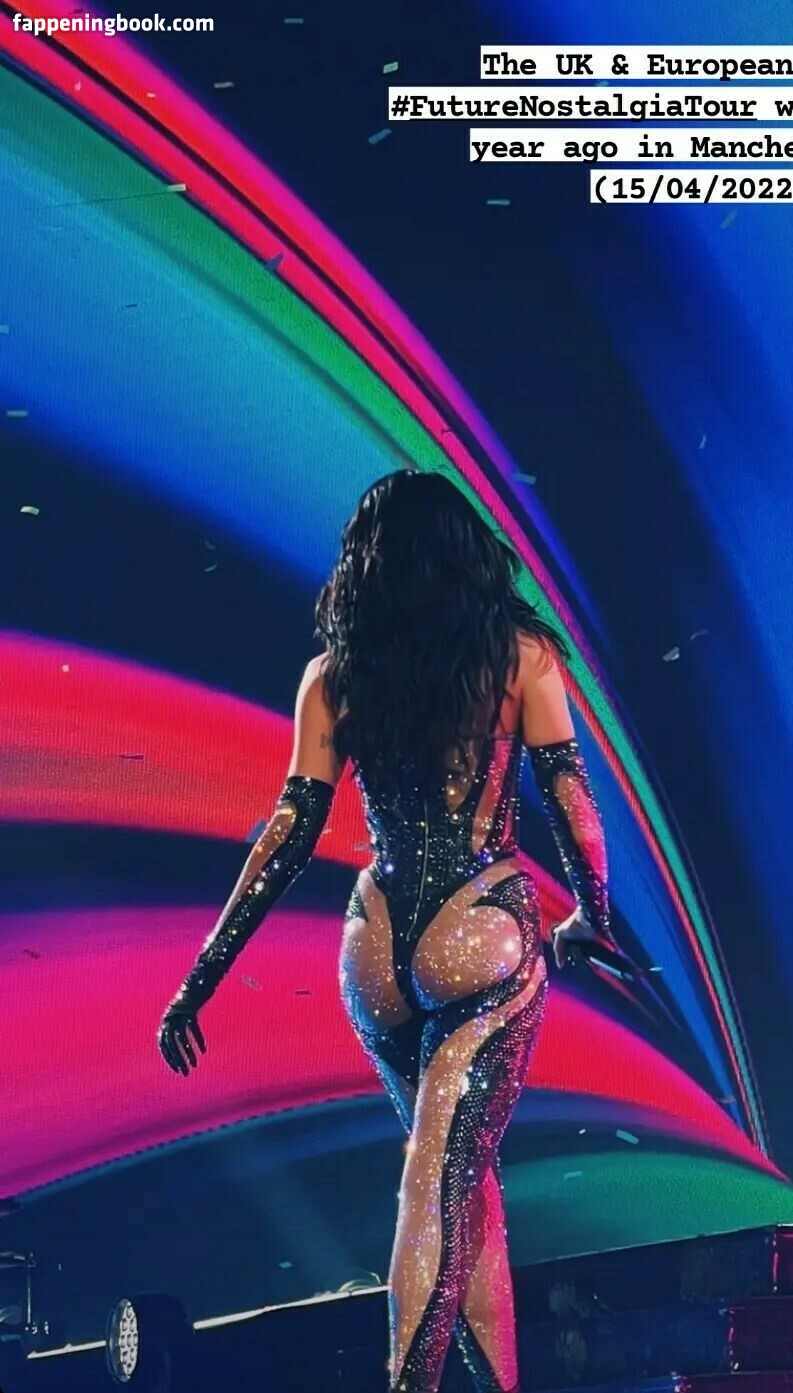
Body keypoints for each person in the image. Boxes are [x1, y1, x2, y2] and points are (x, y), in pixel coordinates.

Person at [157, 469, 625, 1393]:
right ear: (466, 555)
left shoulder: (334, 676)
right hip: (477, 931)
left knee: (460, 1182)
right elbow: (572, 800)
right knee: (436, 1180)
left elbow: (288, 833)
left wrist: (197, 981)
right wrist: (591, 917)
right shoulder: (520, 657)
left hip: (375, 946)